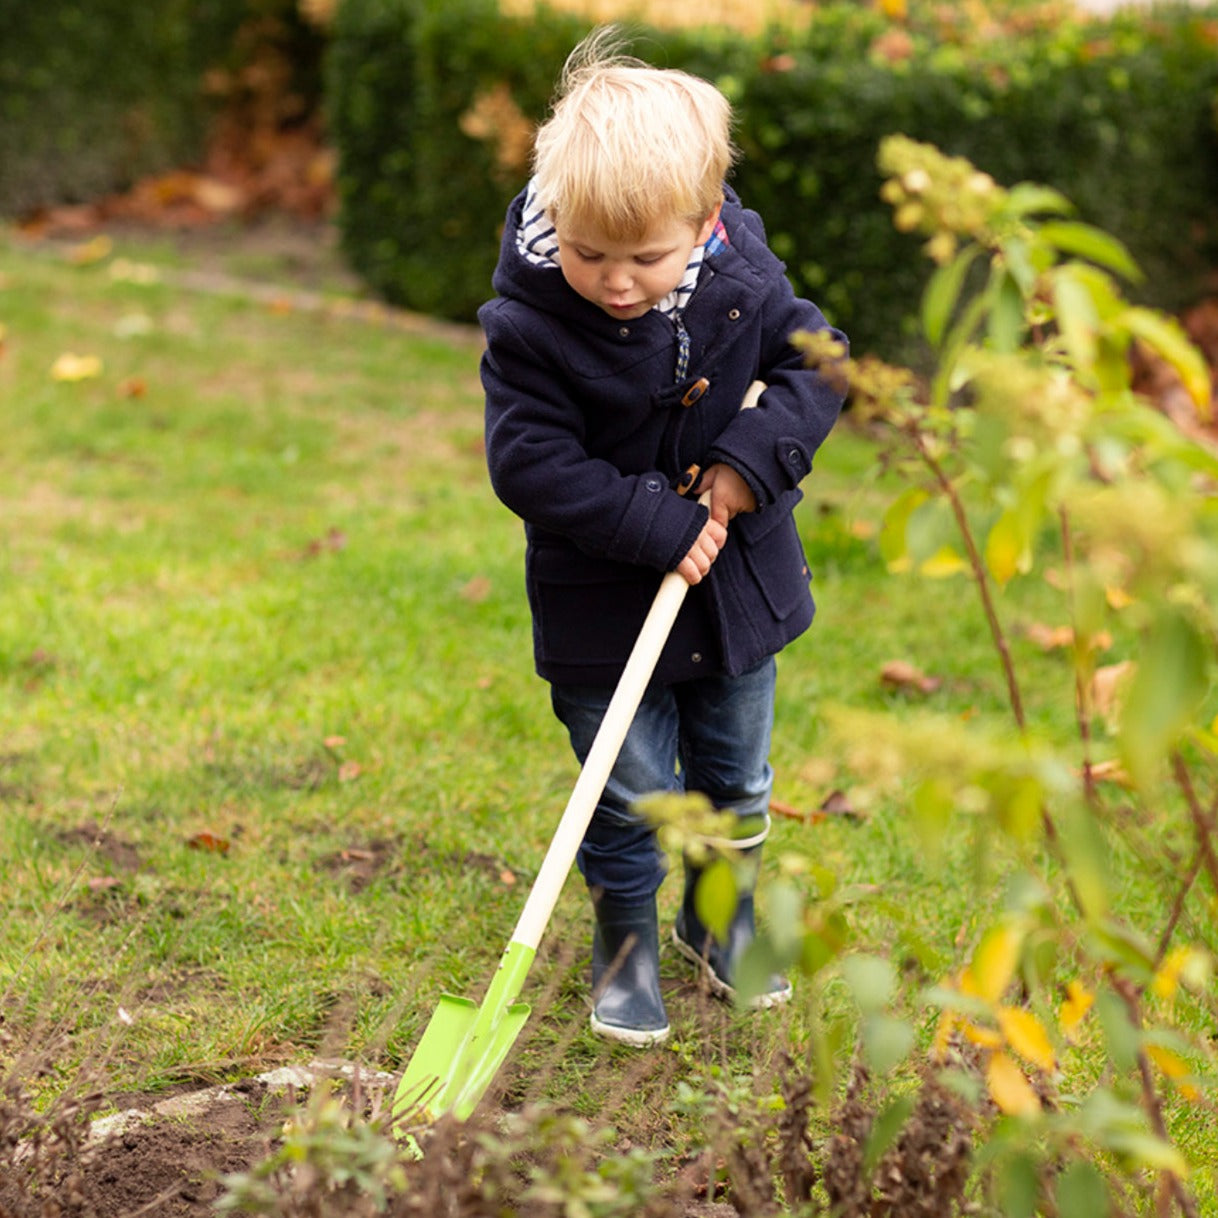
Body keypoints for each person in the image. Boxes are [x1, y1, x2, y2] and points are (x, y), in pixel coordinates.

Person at [480, 28, 848, 1047]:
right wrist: (659, 520)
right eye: (591, 252)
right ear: (560, 217)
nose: (616, 280)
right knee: (628, 792)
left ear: (704, 220)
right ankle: (627, 948)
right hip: (604, 607)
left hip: (735, 597)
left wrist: (747, 462)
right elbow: (530, 465)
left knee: (736, 778)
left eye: (646, 256)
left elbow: (823, 367)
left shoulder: (745, 280)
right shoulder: (532, 327)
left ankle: (720, 925)